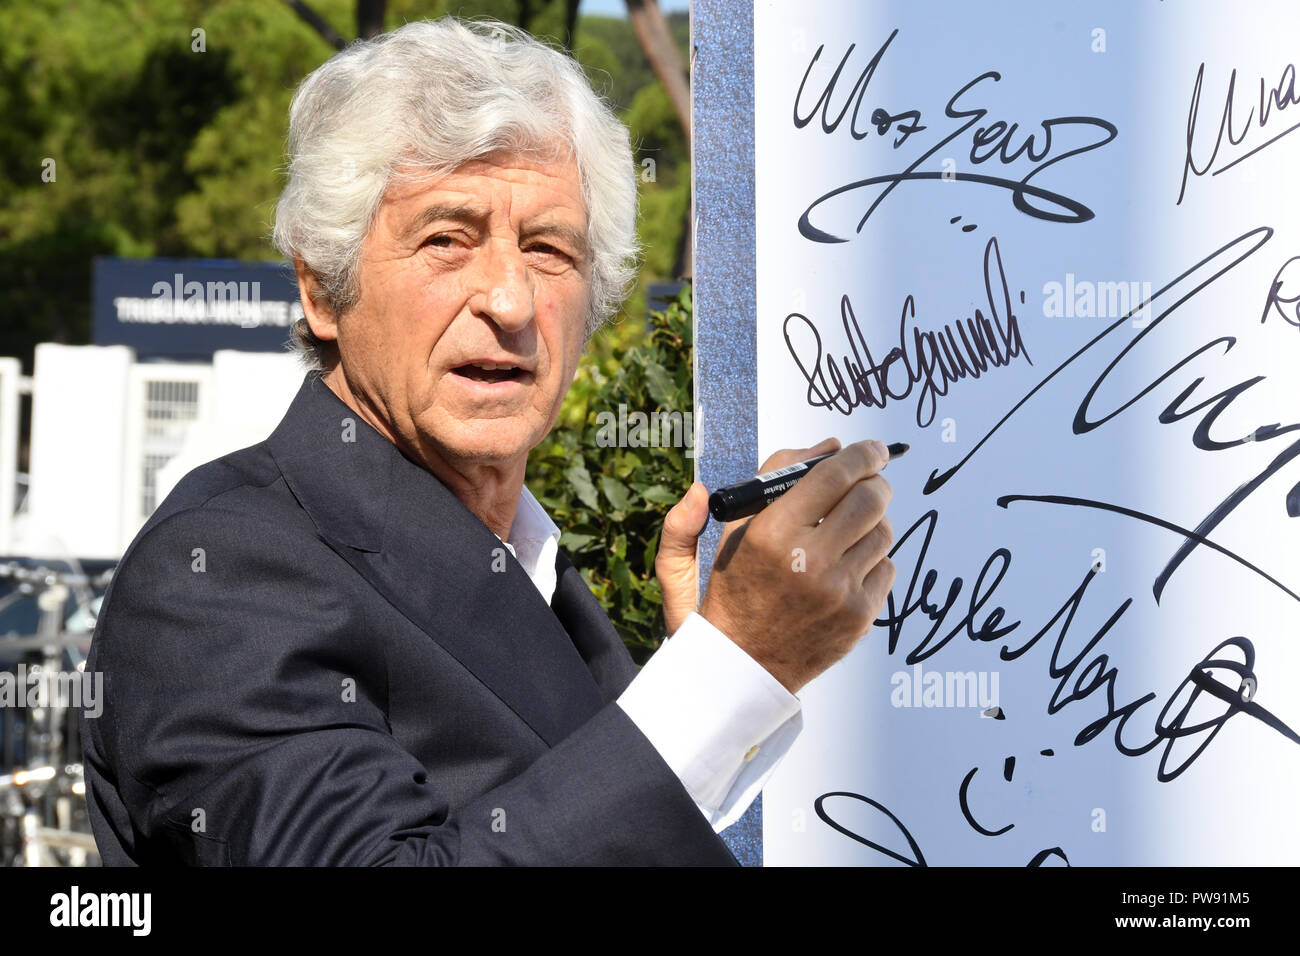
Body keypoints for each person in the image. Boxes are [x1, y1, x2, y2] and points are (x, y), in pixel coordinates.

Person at [80, 17, 896, 865]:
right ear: (323, 290)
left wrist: (705, 680)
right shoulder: (219, 573)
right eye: (446, 240)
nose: (508, 300)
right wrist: (735, 662)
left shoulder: (537, 563)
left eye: (549, 250)